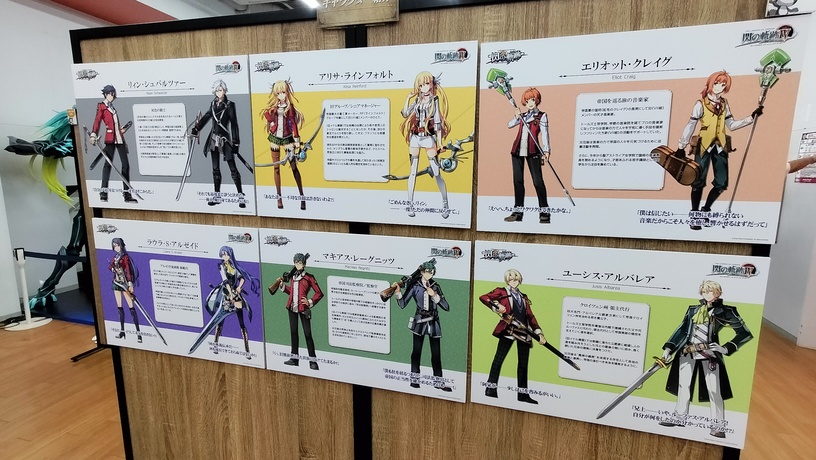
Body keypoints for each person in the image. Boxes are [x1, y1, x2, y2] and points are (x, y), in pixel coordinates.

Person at [659, 280, 753, 438]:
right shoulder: (693, 310)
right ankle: (679, 417)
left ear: (717, 293)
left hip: (709, 355)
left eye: (709, 291)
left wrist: (725, 348)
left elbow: (744, 333)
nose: (706, 294)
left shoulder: (726, 311)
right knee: (683, 386)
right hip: (687, 352)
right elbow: (682, 330)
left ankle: (718, 426)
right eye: (704, 291)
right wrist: (668, 348)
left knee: (714, 390)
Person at [677, 71, 762, 230]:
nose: (719, 87)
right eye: (717, 83)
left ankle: (705, 210)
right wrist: (681, 146)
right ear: (710, 84)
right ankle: (695, 215)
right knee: (698, 182)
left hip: (720, 146)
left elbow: (731, 125)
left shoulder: (724, 104)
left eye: (723, 84)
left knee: (722, 183)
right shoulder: (700, 104)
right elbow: (691, 125)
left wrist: (751, 118)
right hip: (703, 146)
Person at [479, 269, 546, 404]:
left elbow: (530, 316)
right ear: (507, 280)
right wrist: (496, 305)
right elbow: (484, 297)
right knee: (498, 360)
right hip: (508, 329)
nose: (513, 282)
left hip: (525, 332)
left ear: (519, 280)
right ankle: (490, 388)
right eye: (511, 279)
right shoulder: (502, 292)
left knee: (523, 364)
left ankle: (523, 395)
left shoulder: (524, 297)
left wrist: (539, 333)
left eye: (516, 279)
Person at [392, 260, 452, 391]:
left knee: (436, 354)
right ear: (421, 272)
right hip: (419, 321)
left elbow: (446, 306)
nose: (429, 274)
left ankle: (438, 382)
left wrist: (434, 295)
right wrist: (397, 292)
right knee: (416, 352)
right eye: (427, 272)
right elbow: (402, 303)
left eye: (431, 272)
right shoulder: (415, 286)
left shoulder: (436, 286)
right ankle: (414, 381)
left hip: (434, 322)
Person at [400, 71, 451, 219]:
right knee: (412, 172)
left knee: (436, 172)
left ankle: (445, 204)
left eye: (426, 84)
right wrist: (408, 98)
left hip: (429, 138)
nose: (424, 87)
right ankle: (410, 204)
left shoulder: (434, 100)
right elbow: (405, 113)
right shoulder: (417, 100)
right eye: (421, 85)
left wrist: (440, 143)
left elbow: (437, 123)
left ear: (432, 84)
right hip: (415, 138)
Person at [190, 79, 245, 208]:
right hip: (214, 138)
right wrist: (197, 128)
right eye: (216, 90)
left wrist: (236, 143)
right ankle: (217, 196)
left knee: (233, 169)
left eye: (220, 90)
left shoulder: (230, 105)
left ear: (224, 90)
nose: (219, 92)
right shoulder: (213, 104)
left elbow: (234, 124)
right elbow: (206, 117)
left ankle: (240, 196)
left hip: (225, 139)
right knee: (215, 169)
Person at [504, 88, 551, 224]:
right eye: (527, 100)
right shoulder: (523, 116)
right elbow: (509, 125)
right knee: (518, 181)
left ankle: (544, 211)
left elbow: (545, 134)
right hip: (517, 151)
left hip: (533, 151)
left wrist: (546, 151)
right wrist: (516, 116)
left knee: (538, 182)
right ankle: (518, 212)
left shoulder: (542, 116)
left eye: (532, 100)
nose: (530, 103)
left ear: (537, 101)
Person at [261, 80, 306, 210]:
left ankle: (302, 197)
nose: (281, 95)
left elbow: (293, 123)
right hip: (275, 138)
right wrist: (271, 124)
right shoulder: (274, 108)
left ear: (287, 93)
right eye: (278, 93)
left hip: (287, 139)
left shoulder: (289, 107)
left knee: (294, 167)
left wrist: (296, 139)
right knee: (276, 168)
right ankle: (279, 198)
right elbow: (267, 115)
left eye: (283, 92)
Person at [274, 253, 323, 369]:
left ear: (304, 264)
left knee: (308, 334)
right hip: (292, 308)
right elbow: (292, 292)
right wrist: (282, 286)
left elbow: (319, 293)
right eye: (296, 262)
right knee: (293, 333)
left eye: (300, 263)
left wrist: (310, 301)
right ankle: (294, 359)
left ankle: (313, 361)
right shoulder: (293, 277)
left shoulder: (309, 277)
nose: (298, 265)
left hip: (303, 309)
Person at [90, 85, 137, 204]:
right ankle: (103, 192)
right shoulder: (102, 106)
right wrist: (93, 134)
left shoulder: (112, 107)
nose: (113, 96)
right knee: (108, 165)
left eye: (114, 93)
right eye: (111, 93)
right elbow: (97, 121)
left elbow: (115, 124)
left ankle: (127, 194)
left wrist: (121, 130)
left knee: (125, 166)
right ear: (106, 94)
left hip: (119, 138)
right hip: (110, 138)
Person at [212, 246, 259, 358]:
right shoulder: (221, 266)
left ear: (230, 255)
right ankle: (215, 345)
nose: (225, 256)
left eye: (226, 254)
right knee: (220, 321)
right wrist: (231, 293)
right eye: (223, 254)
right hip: (226, 294)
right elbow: (225, 280)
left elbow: (242, 278)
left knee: (241, 323)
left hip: (235, 294)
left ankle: (247, 351)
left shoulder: (233, 266)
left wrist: (239, 287)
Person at [110, 238, 141, 342]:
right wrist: (114, 269)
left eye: (117, 245)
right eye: (114, 246)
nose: (116, 247)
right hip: (116, 283)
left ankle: (138, 333)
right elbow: (110, 266)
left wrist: (130, 283)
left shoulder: (125, 257)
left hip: (125, 284)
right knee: (119, 308)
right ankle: (122, 331)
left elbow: (128, 271)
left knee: (131, 308)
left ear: (121, 245)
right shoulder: (115, 257)